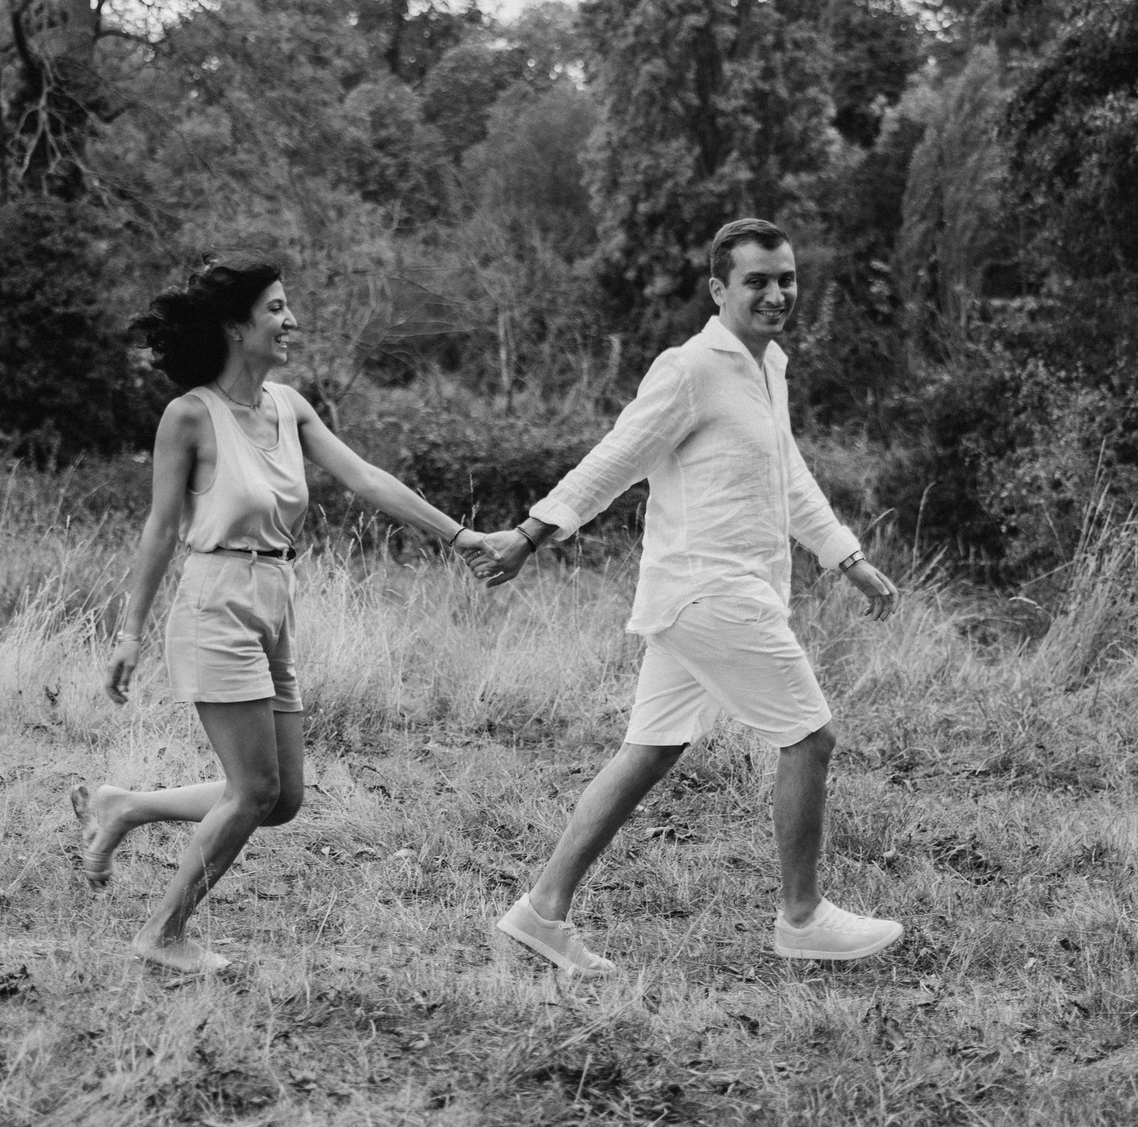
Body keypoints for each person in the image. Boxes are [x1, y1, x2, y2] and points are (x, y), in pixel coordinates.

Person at [468, 218, 905, 973]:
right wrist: (531, 534)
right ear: (718, 289)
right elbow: (616, 458)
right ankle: (801, 917)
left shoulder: (769, 369)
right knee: (810, 737)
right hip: (708, 590)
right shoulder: (691, 367)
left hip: (725, 591)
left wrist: (846, 556)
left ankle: (541, 911)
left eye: (786, 279)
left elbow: (786, 472)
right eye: (757, 281)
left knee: (652, 748)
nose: (776, 294)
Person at [74, 259, 492, 974]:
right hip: (215, 603)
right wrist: (130, 632)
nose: (291, 320)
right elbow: (160, 528)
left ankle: (124, 805)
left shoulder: (290, 407)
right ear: (237, 326)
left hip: (276, 601)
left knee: (282, 798)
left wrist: (460, 537)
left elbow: (366, 479)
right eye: (275, 308)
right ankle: (162, 933)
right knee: (253, 791)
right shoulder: (189, 416)